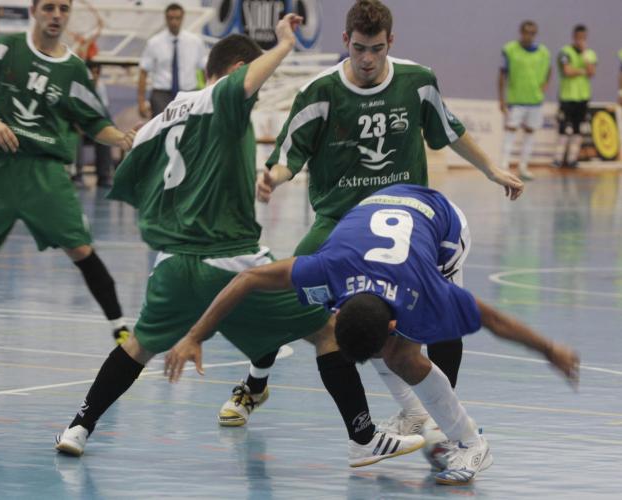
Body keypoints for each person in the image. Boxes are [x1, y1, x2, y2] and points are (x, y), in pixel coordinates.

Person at [54, 14, 425, 468]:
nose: (254, 95)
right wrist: (284, 43)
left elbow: (132, 180)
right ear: (234, 72)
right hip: (232, 260)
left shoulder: (159, 121)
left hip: (172, 264)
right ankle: (363, 437)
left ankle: (78, 426)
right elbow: (243, 82)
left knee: (137, 346)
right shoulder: (223, 98)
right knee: (326, 330)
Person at [217, 0, 524, 437]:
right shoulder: (321, 91)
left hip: (409, 224)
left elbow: (450, 129)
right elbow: (288, 156)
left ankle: (441, 419)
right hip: (340, 223)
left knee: (443, 311)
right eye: (359, 48)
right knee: (284, 297)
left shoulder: (417, 81)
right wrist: (273, 179)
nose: (367, 59)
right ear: (345, 40)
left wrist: (491, 169)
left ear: (390, 43)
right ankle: (255, 383)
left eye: (376, 49)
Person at [164, 184, 580, 485]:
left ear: (393, 323)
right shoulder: (326, 269)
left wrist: (550, 349)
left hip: (445, 226)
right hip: (377, 211)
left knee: (403, 357)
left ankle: (472, 444)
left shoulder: (424, 291)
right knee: (391, 354)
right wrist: (196, 335)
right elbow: (248, 278)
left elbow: (495, 320)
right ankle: (415, 413)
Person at [0, 0, 135, 355]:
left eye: (63, 8)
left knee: (80, 248)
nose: (56, 15)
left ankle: (122, 331)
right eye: (49, 7)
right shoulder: (5, 48)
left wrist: (122, 138)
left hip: (44, 172)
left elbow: (95, 122)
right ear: (34, 11)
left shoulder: (74, 69)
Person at [498, 20, 551, 181]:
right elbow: (502, 75)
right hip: (516, 100)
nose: (529, 36)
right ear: (521, 33)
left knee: (530, 132)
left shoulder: (543, 52)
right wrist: (501, 99)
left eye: (532, 33)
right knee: (510, 131)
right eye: (526, 32)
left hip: (535, 100)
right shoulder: (510, 50)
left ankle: (523, 167)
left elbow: (549, 69)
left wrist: (544, 86)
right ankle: (503, 166)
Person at [137, 3, 207, 118]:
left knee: (190, 126)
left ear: (183, 18)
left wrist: (208, 95)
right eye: (171, 18)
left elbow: (206, 70)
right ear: (166, 18)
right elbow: (143, 72)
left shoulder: (195, 42)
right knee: (161, 127)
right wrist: (141, 102)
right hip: (161, 94)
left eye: (177, 18)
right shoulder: (154, 43)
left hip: (189, 93)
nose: (174, 22)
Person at [553, 25, 596, 168]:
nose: (580, 40)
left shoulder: (590, 54)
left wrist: (584, 54)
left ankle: (572, 159)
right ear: (573, 37)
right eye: (578, 37)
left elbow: (591, 72)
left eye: (583, 38)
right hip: (567, 96)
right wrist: (582, 71)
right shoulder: (565, 52)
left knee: (578, 128)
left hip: (582, 97)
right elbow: (567, 71)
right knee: (564, 128)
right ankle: (558, 159)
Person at [74, 61, 113, 188]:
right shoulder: (76, 86)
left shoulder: (100, 87)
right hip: (77, 128)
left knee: (105, 137)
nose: (94, 75)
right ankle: (77, 176)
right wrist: (79, 126)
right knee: (76, 137)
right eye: (92, 72)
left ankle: (104, 177)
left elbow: (103, 114)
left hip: (92, 127)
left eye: (97, 73)